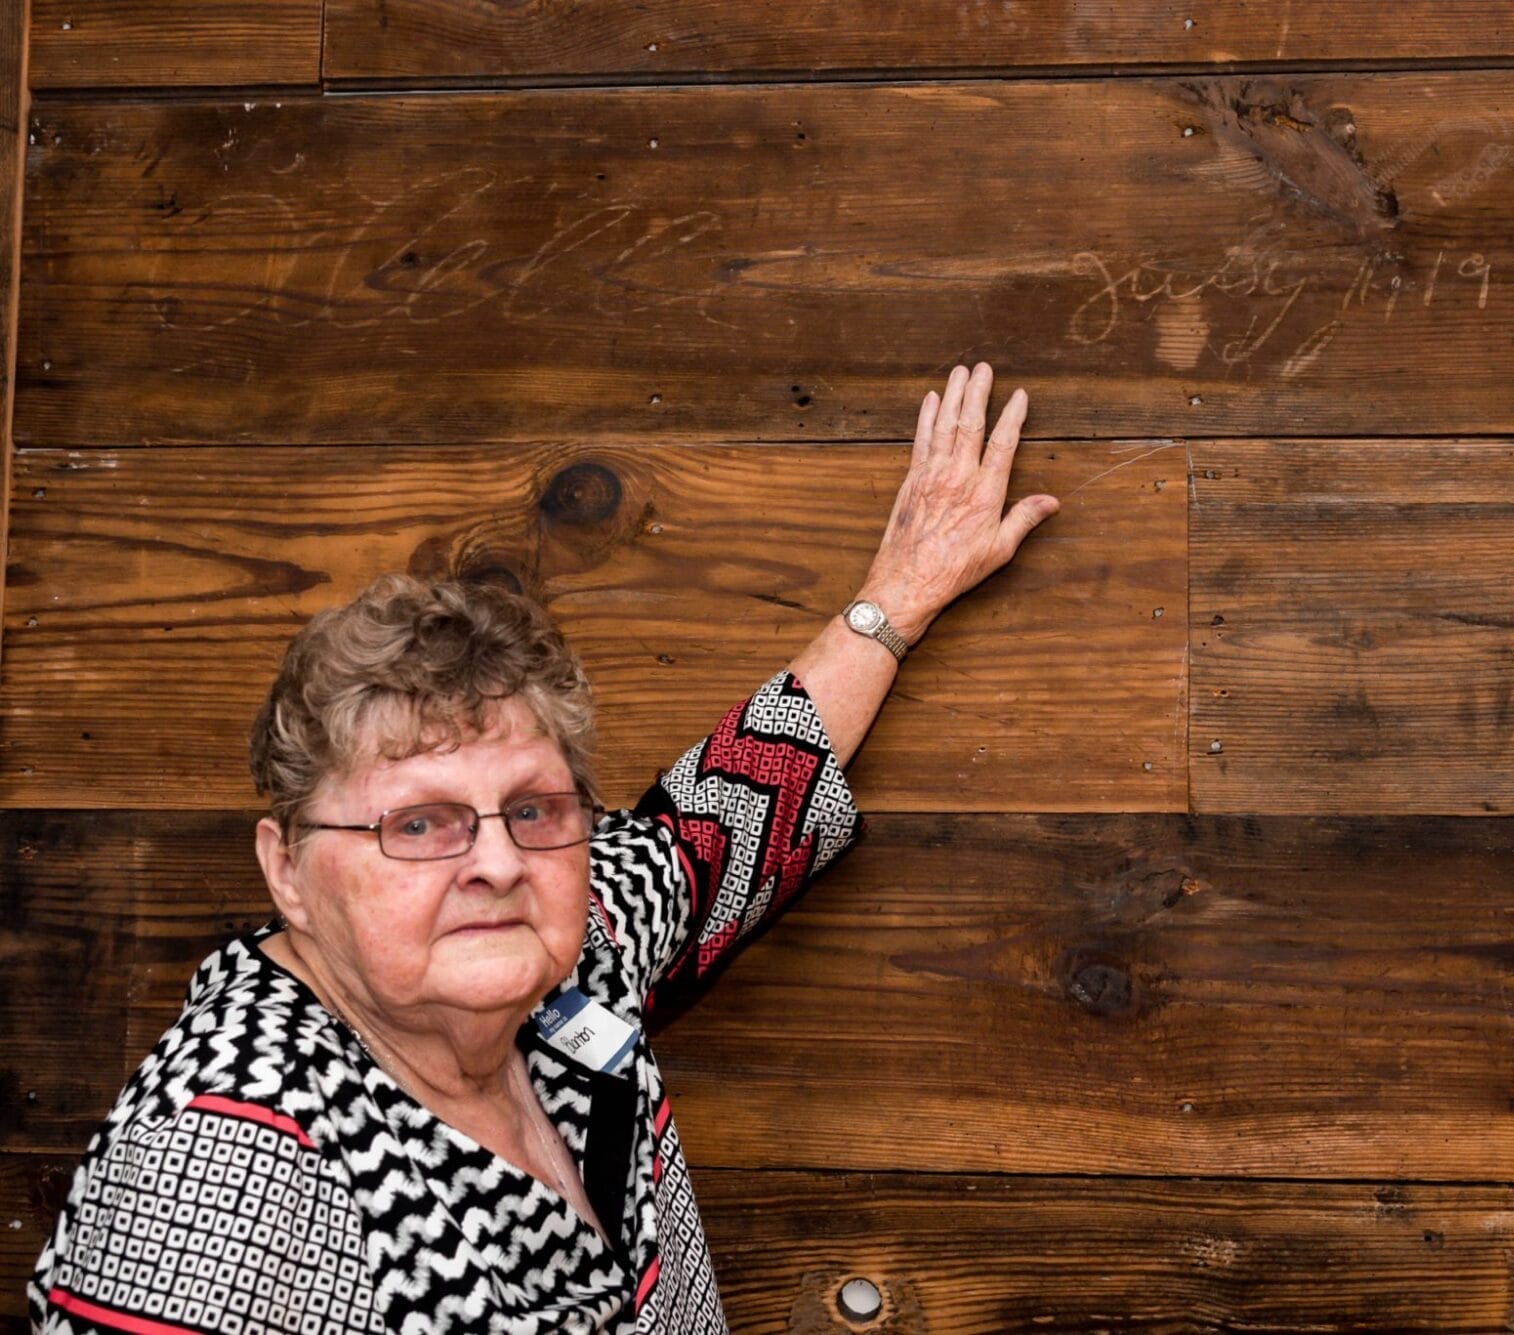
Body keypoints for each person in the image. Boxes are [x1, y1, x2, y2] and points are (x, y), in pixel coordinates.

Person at [27, 364, 1059, 1334]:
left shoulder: (561, 958)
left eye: (532, 808)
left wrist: (899, 597)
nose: (497, 861)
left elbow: (707, 833)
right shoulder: (223, 1167)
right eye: (417, 822)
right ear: (287, 867)